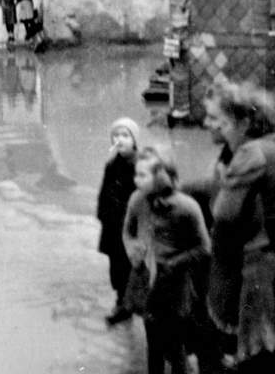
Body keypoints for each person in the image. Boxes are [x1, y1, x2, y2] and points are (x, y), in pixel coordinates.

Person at [199, 80, 275, 373]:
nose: (206, 124)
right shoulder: (265, 146)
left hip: (253, 275)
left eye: (215, 118)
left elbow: (223, 214)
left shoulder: (249, 154)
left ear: (243, 123)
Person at [123, 146, 211, 374]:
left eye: (142, 175)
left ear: (161, 177)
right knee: (152, 340)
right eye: (135, 174)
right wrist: (132, 249)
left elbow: (204, 248)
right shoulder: (137, 200)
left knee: (174, 342)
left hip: (175, 284)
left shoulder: (186, 207)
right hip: (147, 278)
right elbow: (127, 231)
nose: (136, 180)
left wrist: (175, 263)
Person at [97, 117, 140, 325]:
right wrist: (103, 216)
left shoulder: (140, 164)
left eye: (125, 135)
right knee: (116, 265)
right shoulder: (112, 164)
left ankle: (128, 304)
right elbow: (104, 193)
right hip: (113, 225)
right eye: (115, 135)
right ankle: (121, 300)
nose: (119, 140)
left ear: (135, 140)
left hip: (130, 225)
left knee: (130, 265)